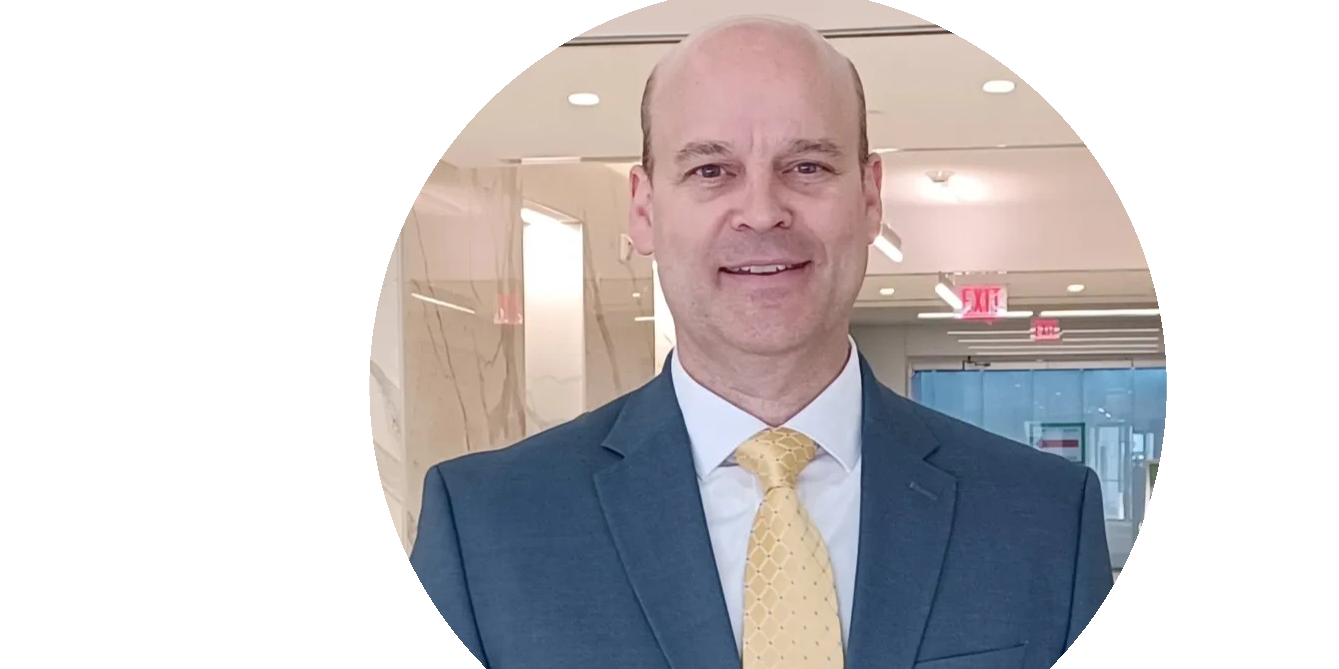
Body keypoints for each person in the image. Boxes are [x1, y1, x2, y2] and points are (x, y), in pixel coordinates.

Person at [411, 15, 1112, 669]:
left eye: (806, 165)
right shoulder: (486, 527)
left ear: (869, 198)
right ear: (645, 209)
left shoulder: (1045, 518)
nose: (761, 211)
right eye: (710, 169)